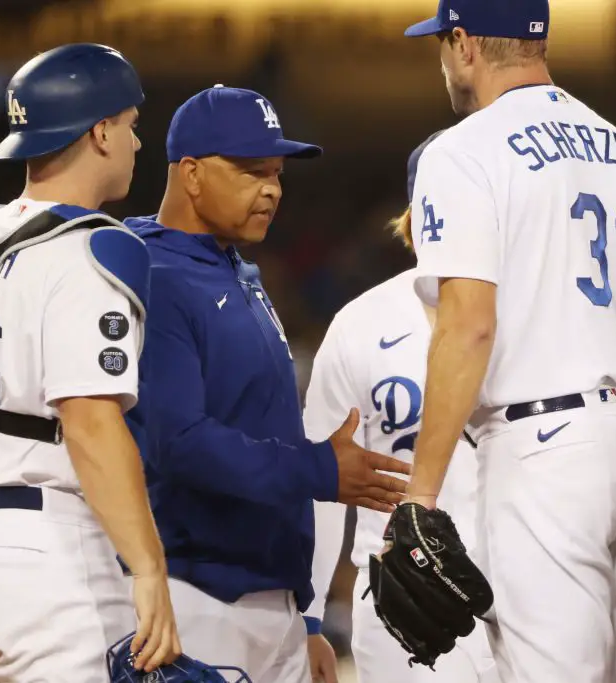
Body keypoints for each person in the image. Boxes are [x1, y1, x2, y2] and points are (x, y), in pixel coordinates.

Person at [399, 0, 616, 681]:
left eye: (443, 44)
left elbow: (469, 323)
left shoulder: (462, 150)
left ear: (463, 42)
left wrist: (419, 495)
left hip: (545, 452)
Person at [122, 84, 411, 683]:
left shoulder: (238, 271)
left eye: (277, 173)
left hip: (266, 604)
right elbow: (178, 442)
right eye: (252, 170)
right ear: (192, 174)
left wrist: (300, 621)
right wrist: (320, 471)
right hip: (196, 597)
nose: (273, 189)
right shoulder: (153, 272)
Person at [0, 43, 180, 682]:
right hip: (49, 560)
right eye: (130, 125)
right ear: (99, 132)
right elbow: (89, 419)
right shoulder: (95, 248)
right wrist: (147, 568)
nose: (137, 143)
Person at [304, 131, 497, 683]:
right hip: (403, 598)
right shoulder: (361, 323)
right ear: (414, 220)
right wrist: (311, 617)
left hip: (524, 586)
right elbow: (320, 484)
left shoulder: (536, 314)